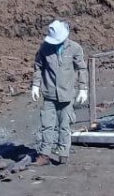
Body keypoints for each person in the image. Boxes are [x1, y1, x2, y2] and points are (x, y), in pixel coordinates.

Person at [30, 19, 88, 166]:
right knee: (47, 125)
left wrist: (83, 88)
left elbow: (81, 68)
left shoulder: (75, 48)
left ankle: (63, 153)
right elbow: (38, 67)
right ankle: (44, 154)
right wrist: (35, 86)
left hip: (67, 94)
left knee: (65, 125)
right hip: (49, 93)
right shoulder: (44, 48)